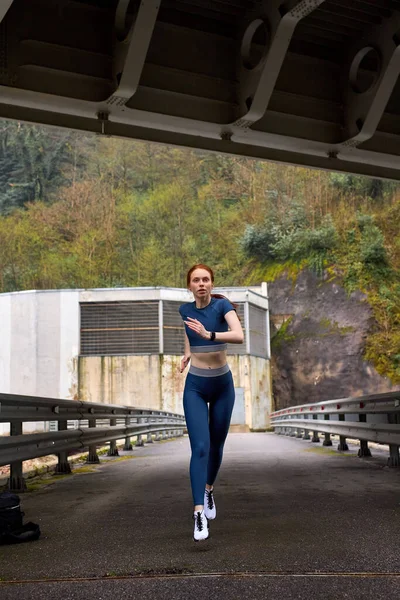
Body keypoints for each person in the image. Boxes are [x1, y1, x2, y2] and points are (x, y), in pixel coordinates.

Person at [178, 264, 244, 541]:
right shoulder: (185, 310)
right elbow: (189, 334)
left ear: (212, 284)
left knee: (217, 445)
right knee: (200, 447)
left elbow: (239, 336)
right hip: (195, 386)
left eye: (206, 279)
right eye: (196, 280)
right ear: (189, 286)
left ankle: (208, 490)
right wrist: (187, 354)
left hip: (222, 386)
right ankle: (198, 513)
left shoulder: (223, 307)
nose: (201, 284)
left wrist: (210, 335)